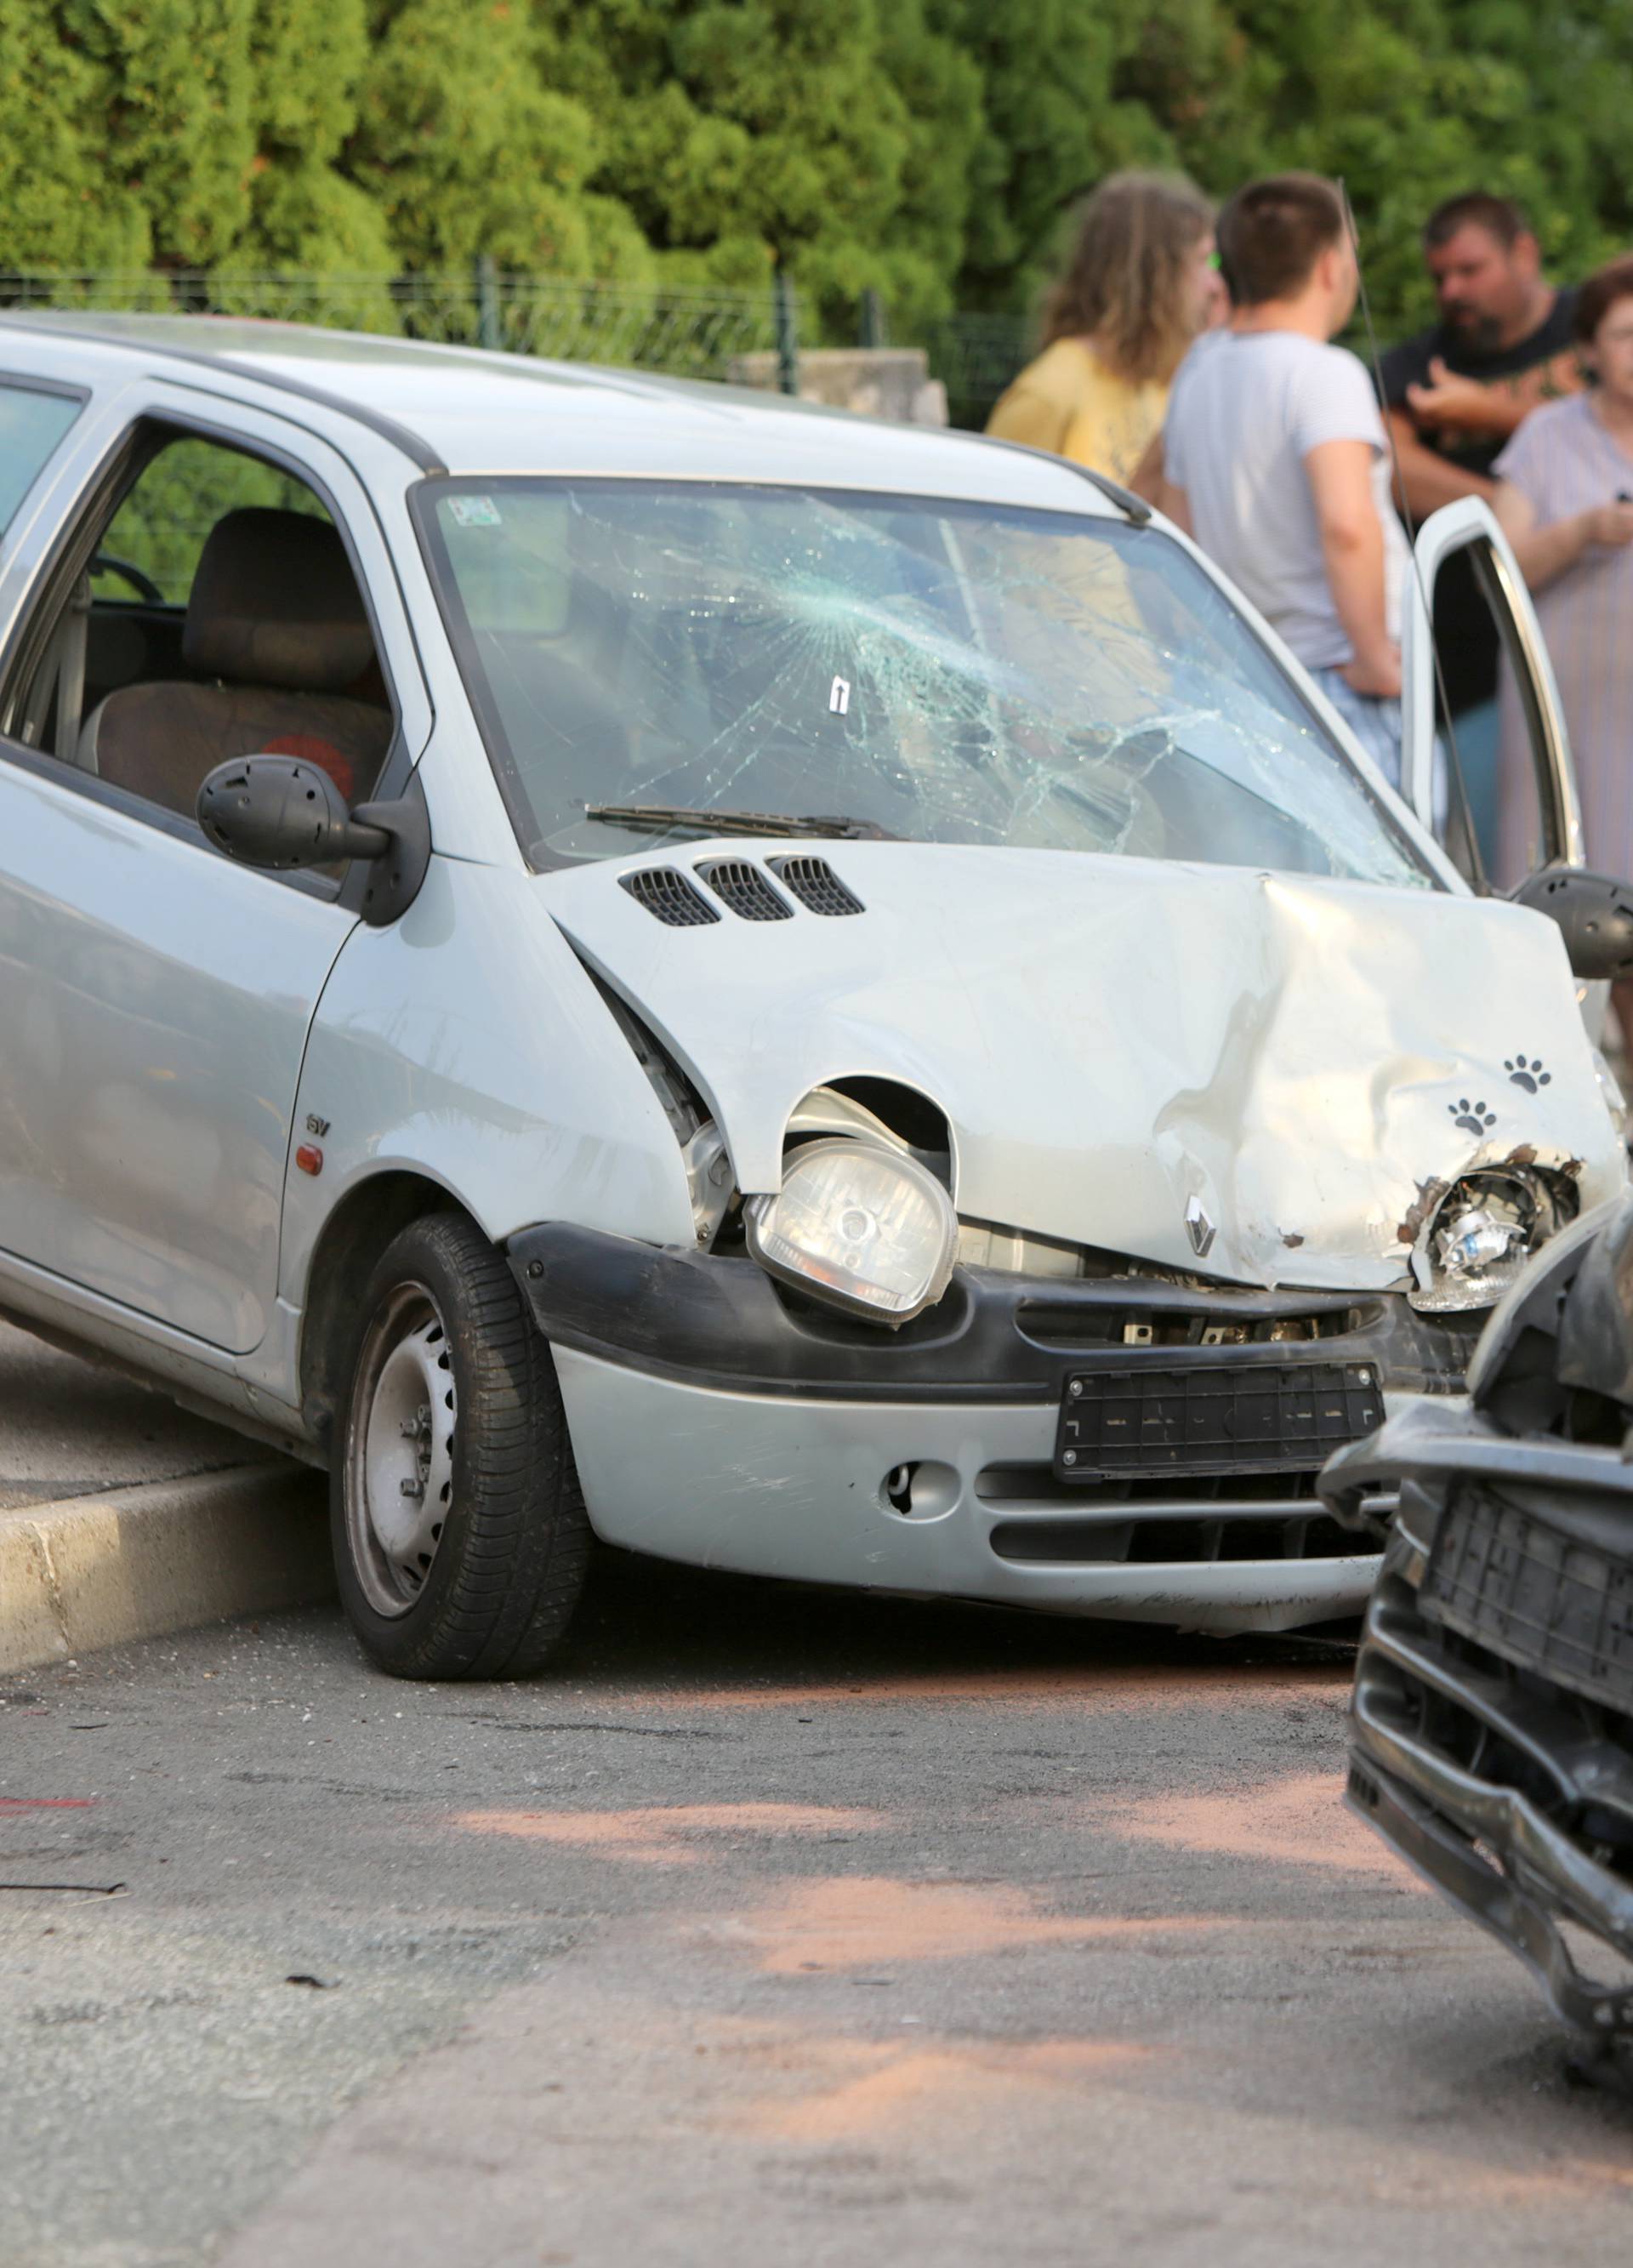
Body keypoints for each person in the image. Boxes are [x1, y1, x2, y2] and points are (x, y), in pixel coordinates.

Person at [1158, 173, 1411, 781]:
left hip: (1241, 681)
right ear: (1330, 266)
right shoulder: (1325, 373)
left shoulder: (1197, 370)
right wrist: (1377, 660)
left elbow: (1174, 527)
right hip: (1338, 690)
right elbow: (1348, 525)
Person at [1379, 194, 1583, 850]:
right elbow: (1389, 465)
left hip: (1586, 645)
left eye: (1471, 270)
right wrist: (1512, 512)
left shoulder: (1595, 322)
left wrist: (1491, 415)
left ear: (1525, 253)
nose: (1453, 291)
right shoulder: (1419, 363)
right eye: (1440, 277)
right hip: (1461, 669)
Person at [1490, 257, 1633, 912]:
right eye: (1626, 334)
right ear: (1587, 350)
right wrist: (1585, 531)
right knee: (1563, 901)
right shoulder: (1545, 435)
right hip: (1562, 707)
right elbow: (1501, 567)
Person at [986, 172, 1217, 486]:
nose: (1214, 284)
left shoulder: (1157, 385)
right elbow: (988, 529)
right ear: (1154, 274)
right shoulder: (1049, 395)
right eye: (1203, 260)